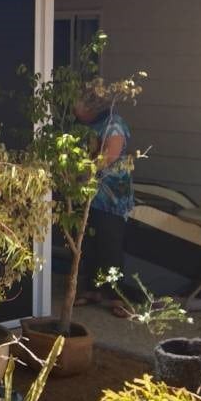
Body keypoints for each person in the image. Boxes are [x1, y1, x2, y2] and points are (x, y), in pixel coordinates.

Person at [73, 90, 134, 306]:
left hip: (111, 197)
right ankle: (92, 290)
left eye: (78, 108)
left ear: (91, 108)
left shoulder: (113, 124)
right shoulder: (87, 126)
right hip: (91, 194)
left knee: (110, 245)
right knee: (89, 242)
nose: (75, 112)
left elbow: (110, 156)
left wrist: (83, 172)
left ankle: (116, 297)